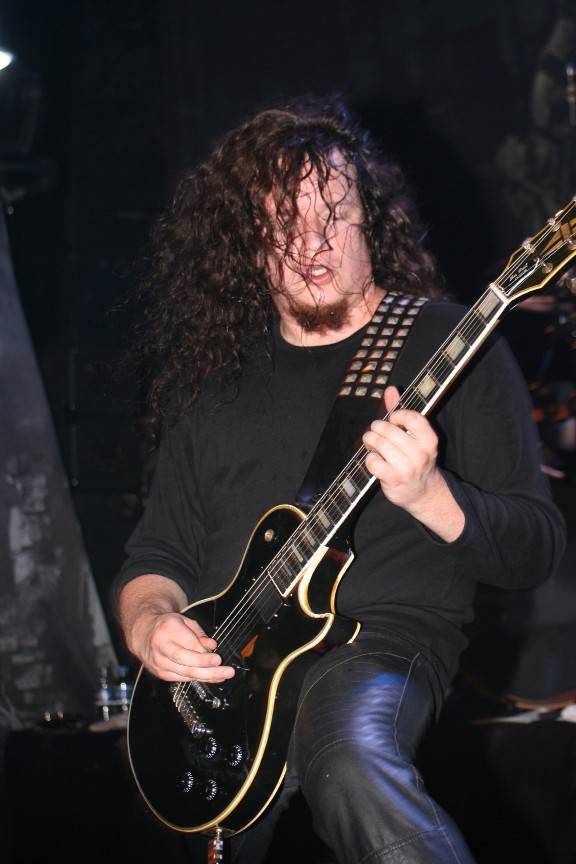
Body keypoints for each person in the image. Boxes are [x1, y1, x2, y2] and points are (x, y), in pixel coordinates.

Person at [113, 94, 566, 864]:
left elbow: (536, 549)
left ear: (372, 220)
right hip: (221, 680)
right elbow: (156, 556)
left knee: (349, 757)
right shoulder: (214, 380)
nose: (312, 243)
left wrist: (432, 497)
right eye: (283, 224)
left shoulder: (452, 345)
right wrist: (150, 624)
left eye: (335, 214)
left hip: (378, 643)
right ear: (247, 240)